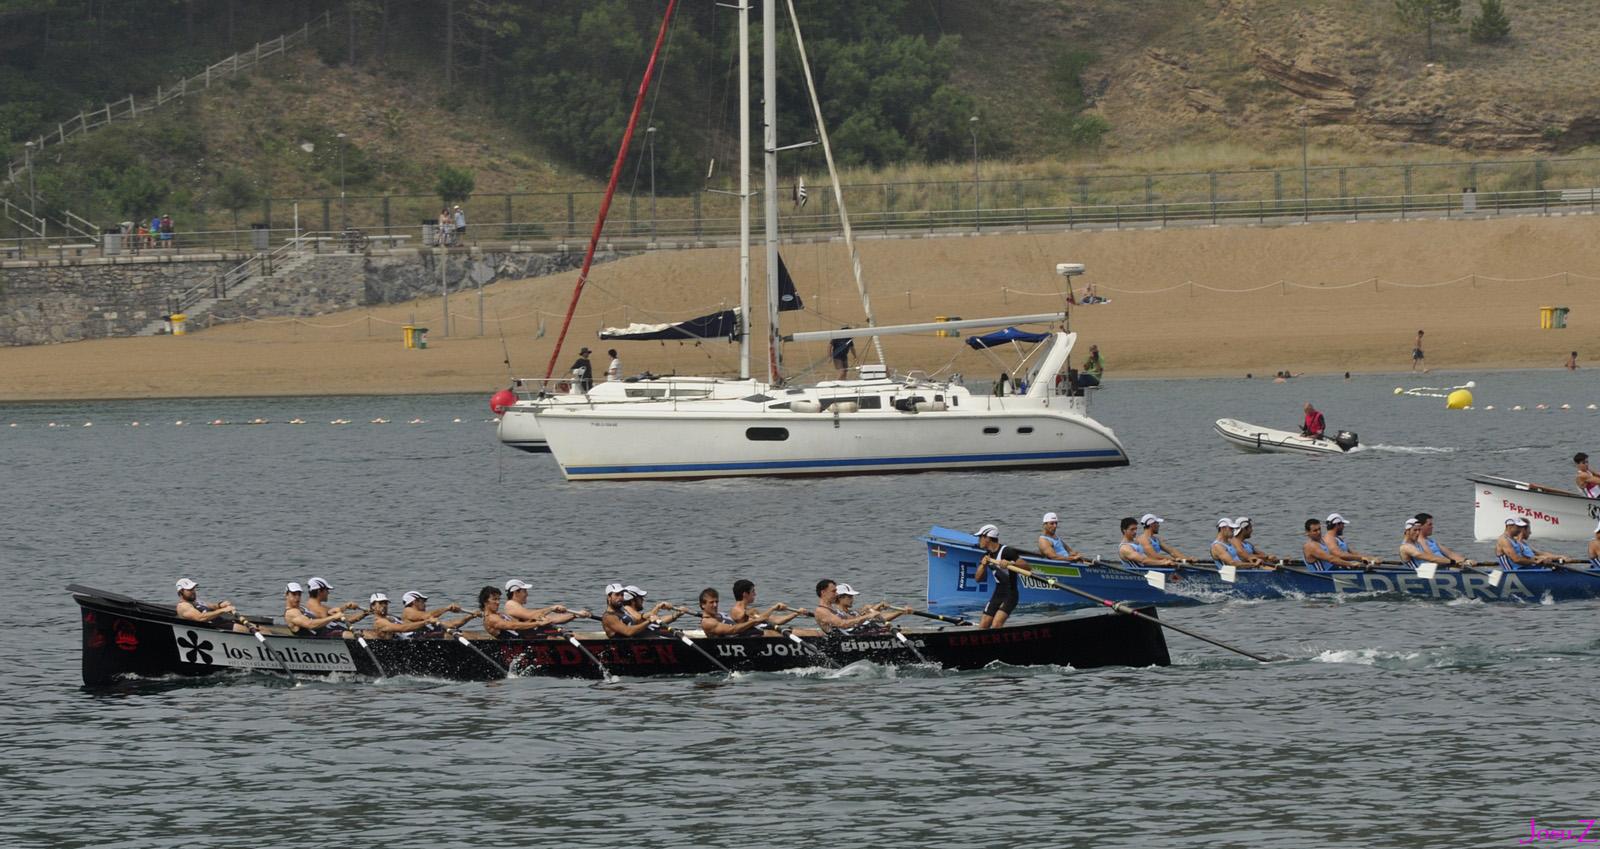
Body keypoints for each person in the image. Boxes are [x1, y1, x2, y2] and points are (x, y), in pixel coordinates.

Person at [972, 525, 1026, 629]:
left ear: (988, 538)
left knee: (996, 624)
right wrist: (983, 566)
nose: (979, 540)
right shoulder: (986, 555)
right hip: (998, 593)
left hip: (1011, 593)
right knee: (983, 625)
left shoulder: (1007, 551)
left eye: (980, 537)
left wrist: (1011, 564)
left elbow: (1027, 567)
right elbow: (978, 579)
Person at [811, 579, 889, 635]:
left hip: (850, 634)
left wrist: (872, 611)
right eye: (833, 591)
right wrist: (867, 616)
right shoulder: (821, 611)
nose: (837, 594)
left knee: (873, 624)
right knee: (870, 624)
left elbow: (852, 618)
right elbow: (842, 624)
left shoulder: (832, 608)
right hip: (841, 641)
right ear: (823, 592)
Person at [283, 582, 357, 636]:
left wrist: (342, 608)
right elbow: (310, 624)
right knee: (351, 635)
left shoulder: (301, 608)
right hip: (321, 640)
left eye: (299, 594)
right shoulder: (291, 613)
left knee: (360, 633)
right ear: (286, 595)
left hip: (327, 632)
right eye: (294, 594)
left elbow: (319, 614)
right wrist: (333, 617)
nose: (297, 597)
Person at [503, 579, 582, 627]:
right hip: (524, 640)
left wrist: (576, 615)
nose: (527, 594)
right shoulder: (510, 604)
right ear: (516, 592)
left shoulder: (519, 608)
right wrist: (551, 608)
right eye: (524, 591)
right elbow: (532, 615)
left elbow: (553, 619)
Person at [727, 579, 804, 628]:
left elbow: (776, 620)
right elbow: (759, 620)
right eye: (753, 591)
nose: (755, 594)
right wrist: (773, 608)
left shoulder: (751, 611)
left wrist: (796, 613)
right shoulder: (735, 610)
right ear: (745, 594)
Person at [834, 584, 911, 633]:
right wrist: (871, 611)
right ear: (840, 598)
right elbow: (858, 619)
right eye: (850, 597)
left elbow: (880, 617)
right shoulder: (835, 613)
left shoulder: (852, 612)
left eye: (852, 597)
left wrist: (901, 612)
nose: (852, 599)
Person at [362, 593, 441, 640]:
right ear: (372, 606)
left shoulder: (389, 618)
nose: (384, 606)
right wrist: (426, 622)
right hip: (403, 645)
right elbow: (403, 628)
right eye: (381, 603)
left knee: (439, 633)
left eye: (385, 603)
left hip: (408, 639)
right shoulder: (380, 622)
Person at [399, 590, 478, 634]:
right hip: (415, 641)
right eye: (423, 601)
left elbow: (451, 625)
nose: (425, 604)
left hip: (429, 640)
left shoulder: (423, 619)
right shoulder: (408, 611)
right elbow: (427, 615)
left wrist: (470, 616)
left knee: (467, 634)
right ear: (414, 602)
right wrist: (447, 608)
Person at [698, 588, 769, 636]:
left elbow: (736, 623)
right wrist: (753, 621)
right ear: (703, 605)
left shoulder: (721, 614)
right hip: (737, 641)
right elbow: (732, 629)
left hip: (747, 635)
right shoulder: (707, 622)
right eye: (711, 602)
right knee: (769, 633)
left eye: (716, 602)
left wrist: (746, 615)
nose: (715, 605)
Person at [1301, 518, 1366, 570]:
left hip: (1334, 568)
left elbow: (1336, 555)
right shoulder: (1310, 546)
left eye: (1319, 529)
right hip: (1324, 575)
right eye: (1315, 530)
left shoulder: (1322, 540)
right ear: (1307, 532)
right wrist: (1351, 564)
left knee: (1364, 565)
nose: (1319, 532)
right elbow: (1331, 559)